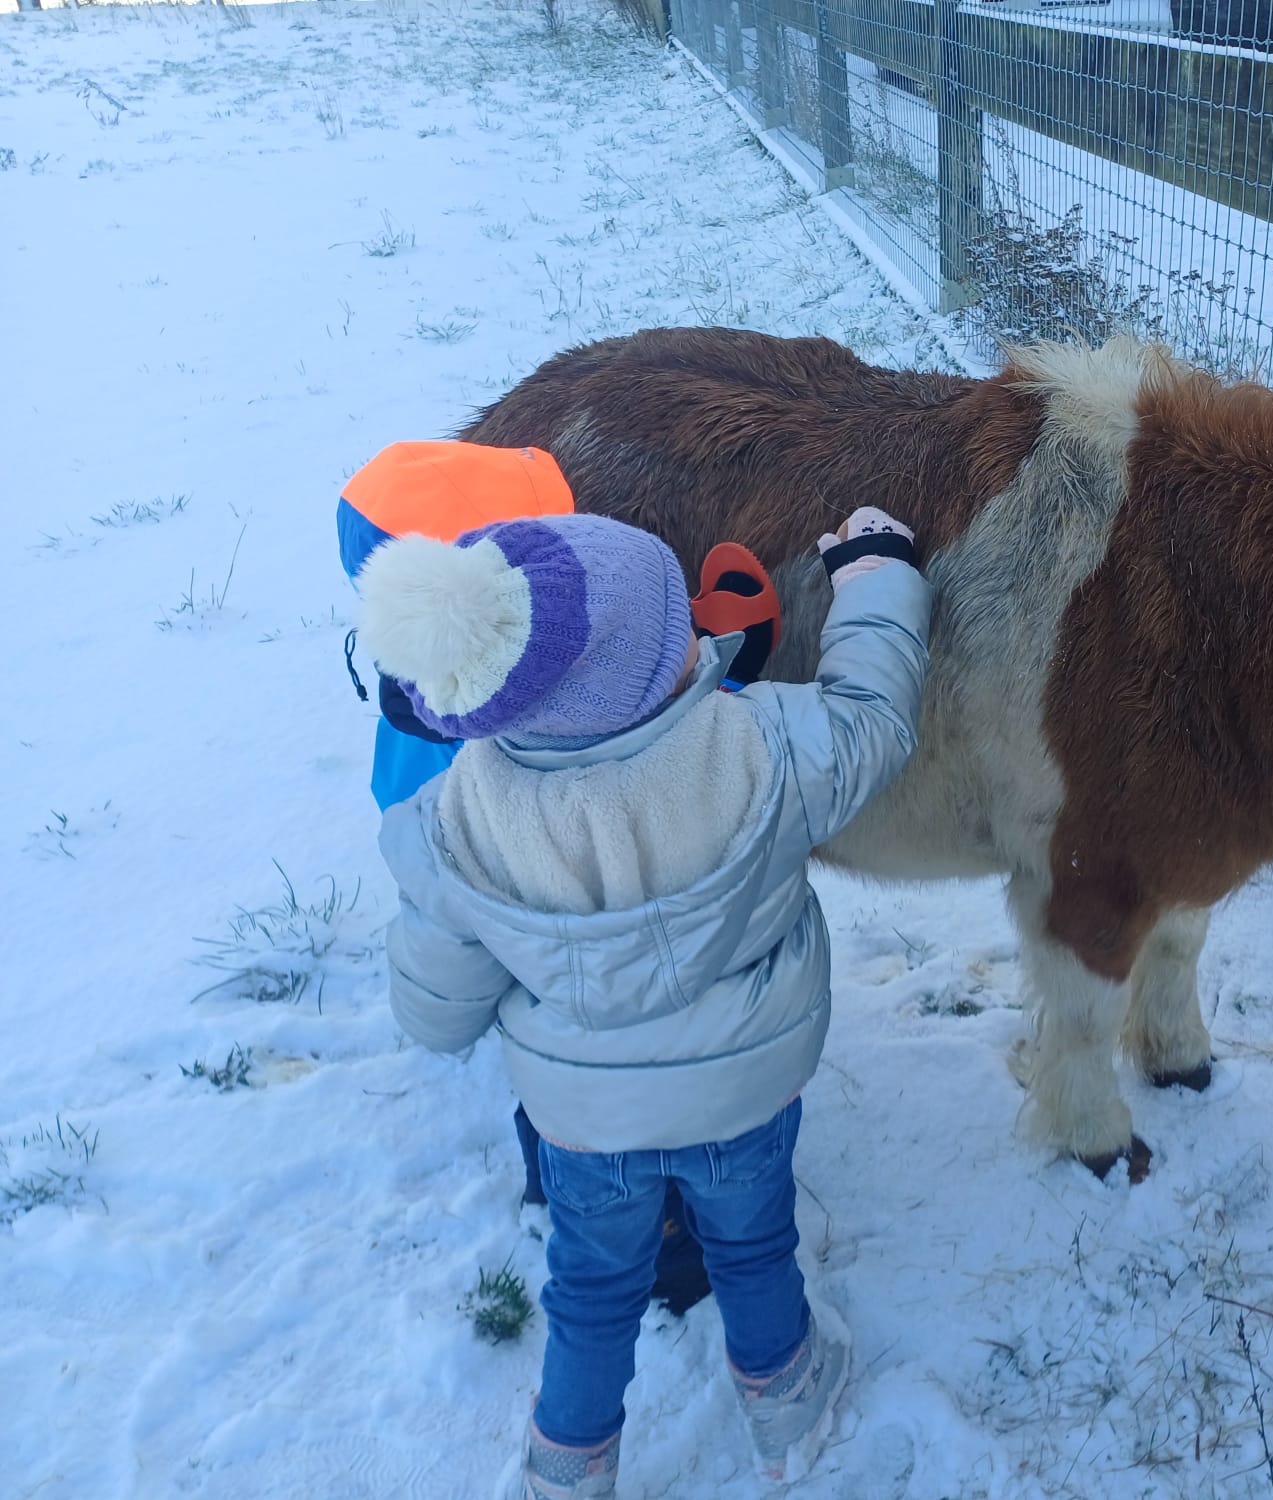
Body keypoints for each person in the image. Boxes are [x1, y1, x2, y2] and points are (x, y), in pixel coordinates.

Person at [358, 505, 929, 1494]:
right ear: (655, 665)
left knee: (588, 1289)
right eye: (679, 636)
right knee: (753, 1247)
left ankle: (568, 1462)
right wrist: (875, 577)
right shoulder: (761, 745)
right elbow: (871, 720)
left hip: (583, 1131)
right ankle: (786, 1399)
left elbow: (434, 1013)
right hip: (743, 1101)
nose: (700, 644)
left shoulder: (462, 815)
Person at [338, 440, 780, 1317]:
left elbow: (440, 968)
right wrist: (734, 673)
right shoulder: (497, 771)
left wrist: (446, 999)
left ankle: (554, 1199)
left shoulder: (422, 712)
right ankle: (681, 1256)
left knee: (566, 1130)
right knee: (667, 1151)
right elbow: (651, 752)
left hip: (555, 1050)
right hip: (672, 1035)